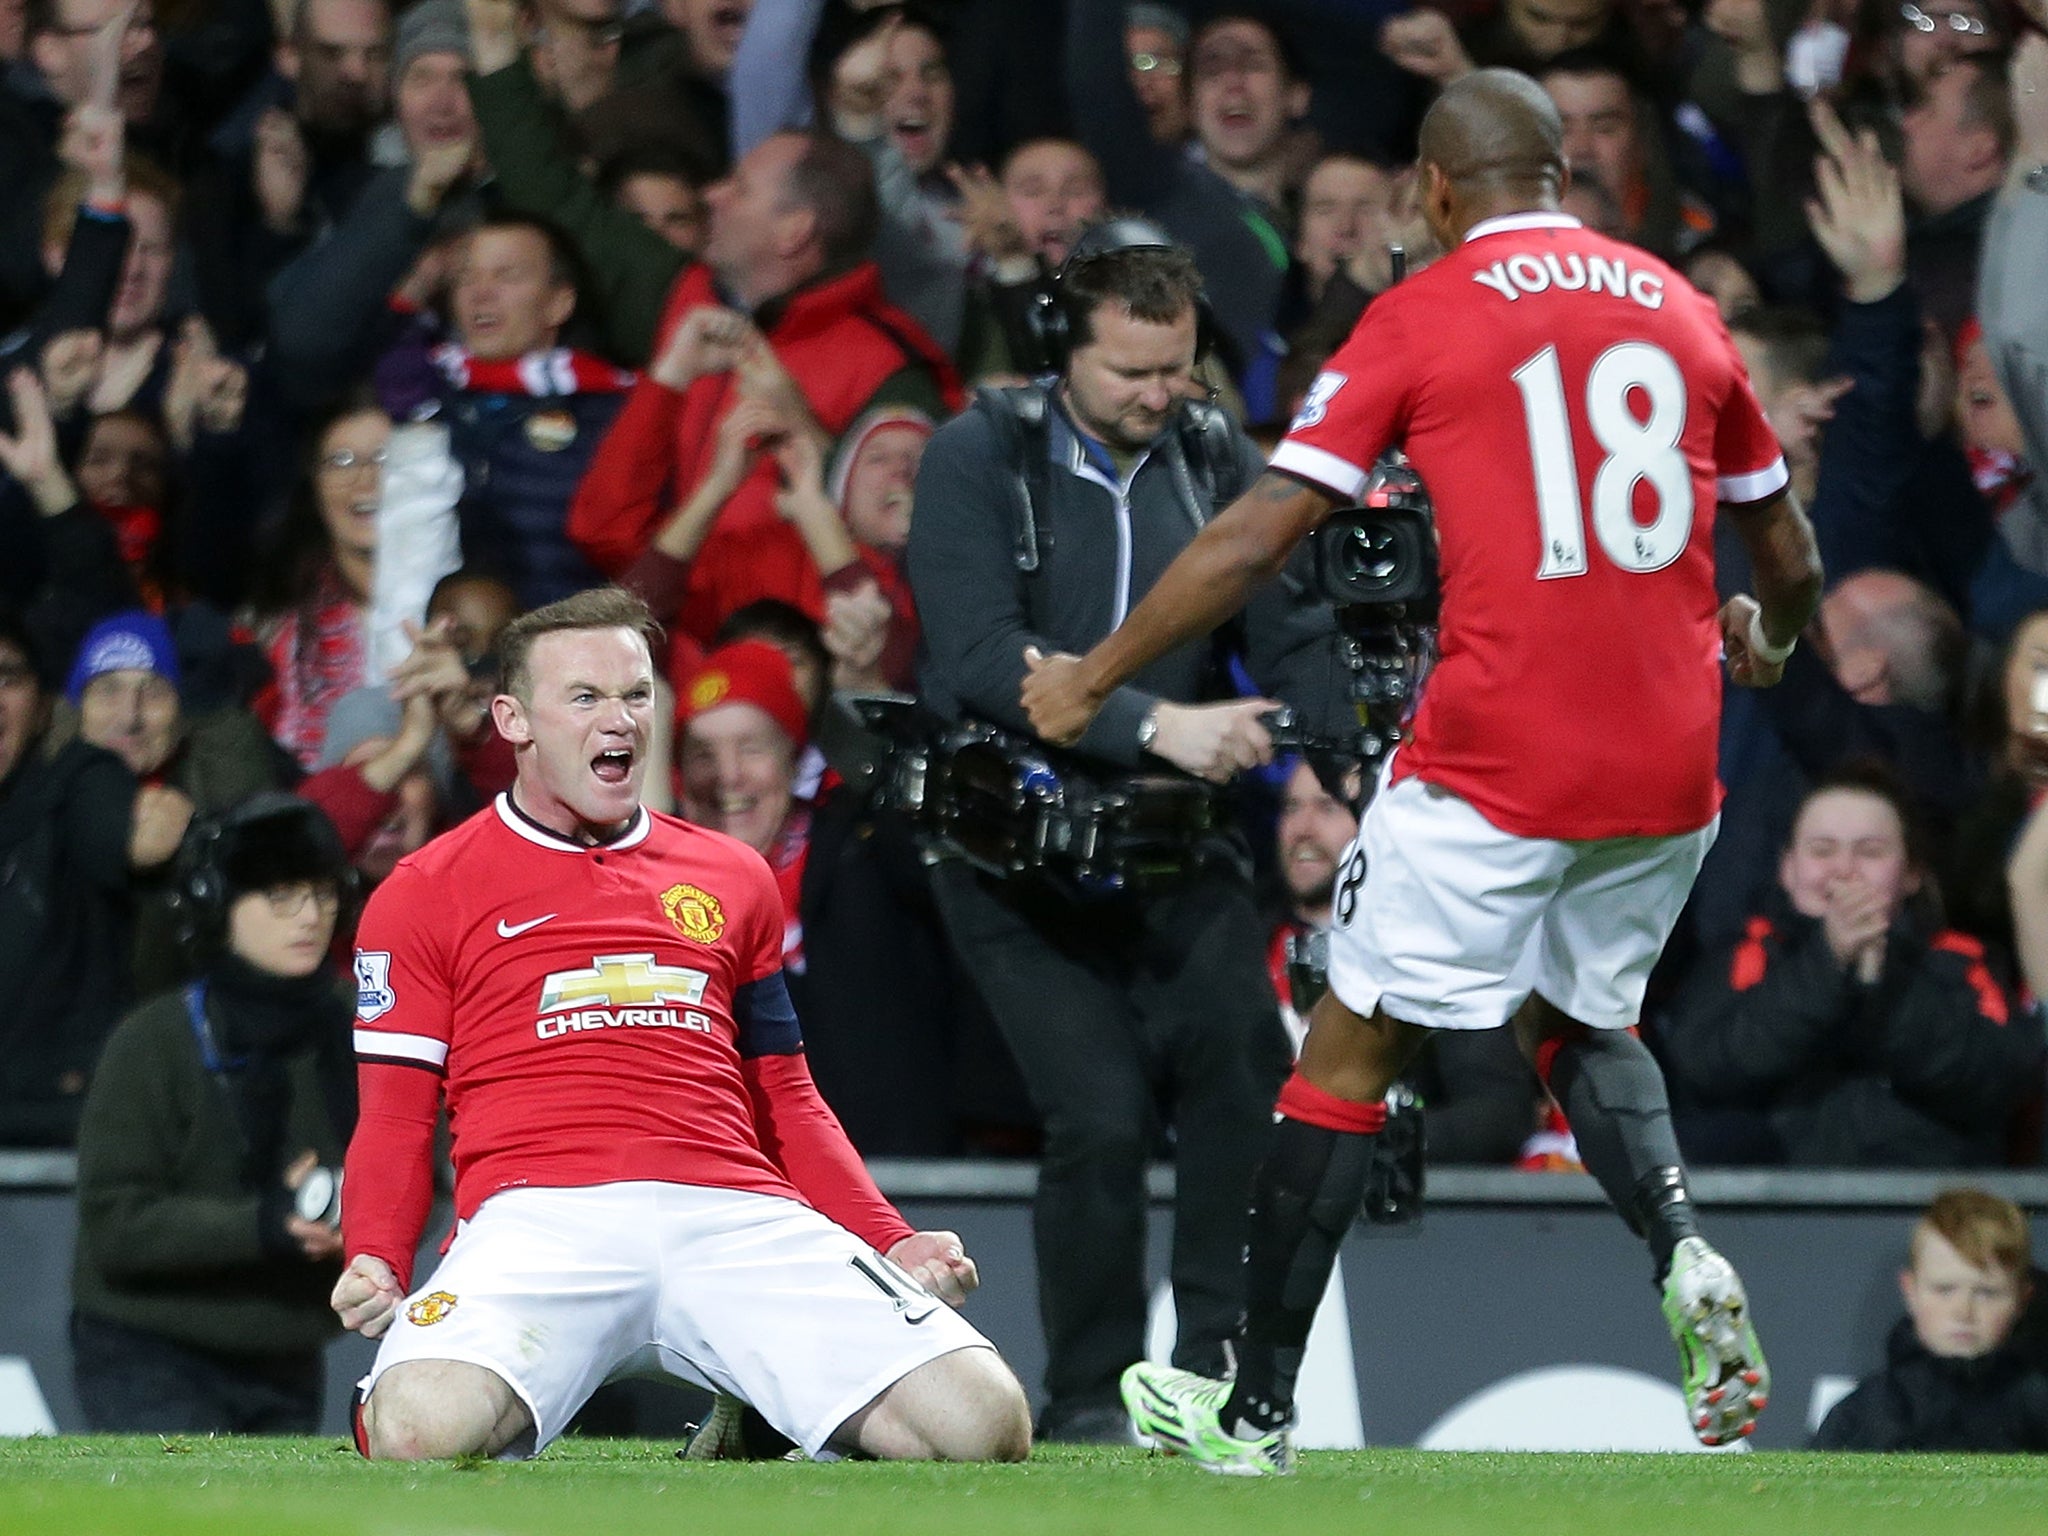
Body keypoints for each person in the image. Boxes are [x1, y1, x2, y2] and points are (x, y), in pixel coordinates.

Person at [1021, 68, 1824, 1472]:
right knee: (1585, 1017)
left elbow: (1258, 534)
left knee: (1346, 1044)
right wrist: (1772, 636)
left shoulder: (1428, 311)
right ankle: (1682, 1243)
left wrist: (1091, 674)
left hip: (1501, 751)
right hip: (1672, 755)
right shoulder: (1682, 307)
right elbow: (1790, 552)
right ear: (1565, 175)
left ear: (1439, 191)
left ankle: (1255, 1411)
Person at [331, 585, 1030, 1463]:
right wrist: (377, 1256)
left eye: (634, 694)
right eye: (584, 698)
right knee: (420, 1432)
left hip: (732, 1211)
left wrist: (891, 1236)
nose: (617, 720)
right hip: (540, 1218)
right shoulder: (424, 891)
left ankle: (757, 1400)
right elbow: (395, 1114)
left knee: (982, 1424)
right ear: (512, 719)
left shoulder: (733, 876)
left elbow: (786, 1096)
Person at [907, 229, 1347, 1443]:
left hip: (1166, 841)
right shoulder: (975, 456)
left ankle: (1209, 1378)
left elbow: (1290, 627)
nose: (1160, 396)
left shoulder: (1215, 455)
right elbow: (984, 659)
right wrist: (1164, 727)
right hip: (1005, 852)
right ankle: (1091, 1398)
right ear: (1062, 353)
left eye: (1178, 368)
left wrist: (1341, 733)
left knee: (1242, 1074)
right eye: (1130, 373)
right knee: (1096, 1115)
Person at [70, 794, 357, 1433]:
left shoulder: (358, 1033)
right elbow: (116, 1225)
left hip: (288, 1349)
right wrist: (261, 1226)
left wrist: (368, 1213)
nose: (310, 916)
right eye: (281, 895)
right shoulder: (154, 1041)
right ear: (219, 905)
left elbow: (426, 1169)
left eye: (323, 892)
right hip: (149, 1346)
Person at [1658, 770, 2040, 1166]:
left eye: (1870, 852)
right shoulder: (1746, 953)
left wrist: (1882, 983)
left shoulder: (1961, 959)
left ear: (1912, 874)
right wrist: (1829, 959)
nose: (1844, 868)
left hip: (1925, 1194)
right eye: (1822, 850)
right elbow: (1704, 1068)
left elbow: (1998, 1080)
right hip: (1775, 1196)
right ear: (1787, 869)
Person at [1813, 1188, 2048, 1450]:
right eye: (1944, 1289)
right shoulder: (1862, 1413)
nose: (1963, 1311)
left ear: (2022, 1300)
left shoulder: (2038, 1408)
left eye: (1987, 1292)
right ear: (1910, 1290)